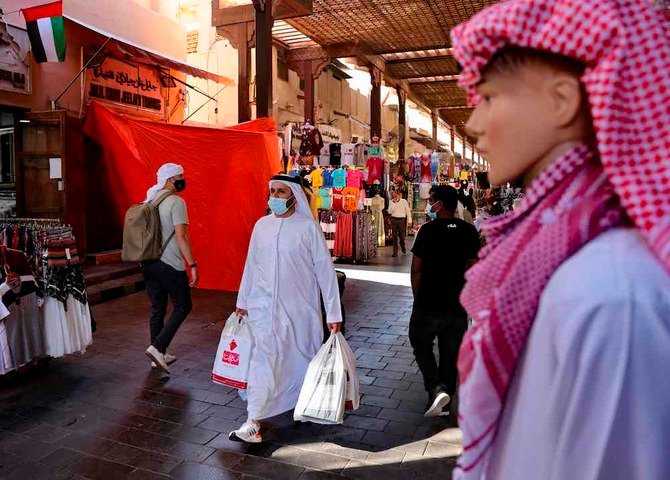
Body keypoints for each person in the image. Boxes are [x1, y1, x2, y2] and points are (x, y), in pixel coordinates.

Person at [450, 1, 670, 478]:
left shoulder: (614, 292)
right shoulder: (568, 262)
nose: (474, 125)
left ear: (561, 101)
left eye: (488, 98)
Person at [230, 174, 343, 443]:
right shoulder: (261, 226)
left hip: (300, 311)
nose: (275, 197)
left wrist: (333, 313)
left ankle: (301, 405)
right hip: (262, 309)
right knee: (262, 361)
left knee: (299, 359)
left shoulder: (307, 228)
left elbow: (325, 272)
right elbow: (251, 264)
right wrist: (243, 302)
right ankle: (253, 421)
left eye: (281, 192)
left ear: (294, 196)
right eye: (272, 192)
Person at [409, 185, 480, 417]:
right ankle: (445, 402)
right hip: (457, 304)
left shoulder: (427, 230)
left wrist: (417, 298)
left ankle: (435, 388)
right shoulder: (469, 231)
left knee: (420, 343)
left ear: (439, 204)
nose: (430, 203)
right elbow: (473, 268)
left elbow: (416, 270)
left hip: (428, 301)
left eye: (431, 200)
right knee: (450, 354)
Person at [143, 163, 198, 374]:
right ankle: (157, 347)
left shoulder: (150, 199)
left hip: (149, 263)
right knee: (183, 306)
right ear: (169, 179)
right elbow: (181, 236)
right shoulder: (176, 202)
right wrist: (192, 264)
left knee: (157, 308)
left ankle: (158, 354)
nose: (182, 180)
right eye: (179, 177)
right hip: (170, 264)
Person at [388, 189, 412, 257]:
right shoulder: (391, 202)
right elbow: (389, 212)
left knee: (402, 236)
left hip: (401, 220)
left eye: (396, 194)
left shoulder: (404, 201)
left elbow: (407, 211)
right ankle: (395, 252)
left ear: (399, 195)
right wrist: (394, 203)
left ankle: (402, 245)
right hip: (394, 219)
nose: (394, 196)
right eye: (393, 195)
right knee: (394, 236)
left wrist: (409, 220)